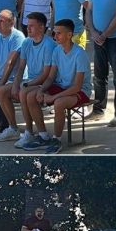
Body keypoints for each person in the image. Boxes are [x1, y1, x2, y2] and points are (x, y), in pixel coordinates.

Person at [21, 18, 93, 154]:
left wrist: (53, 97)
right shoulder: (57, 51)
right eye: (54, 33)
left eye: (59, 33)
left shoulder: (80, 54)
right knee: (32, 96)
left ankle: (57, 139)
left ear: (69, 35)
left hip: (80, 91)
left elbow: (77, 87)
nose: (55, 36)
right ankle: (43, 136)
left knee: (59, 103)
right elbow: (50, 77)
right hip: (61, 86)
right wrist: (42, 90)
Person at [0, 11, 57, 145]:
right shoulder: (26, 42)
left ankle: (32, 133)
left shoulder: (49, 45)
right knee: (2, 90)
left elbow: (46, 74)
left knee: (24, 92)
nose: (28, 28)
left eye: (32, 25)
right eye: (27, 25)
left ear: (42, 27)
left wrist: (25, 85)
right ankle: (13, 128)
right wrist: (15, 84)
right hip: (30, 82)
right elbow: (20, 67)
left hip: (46, 83)